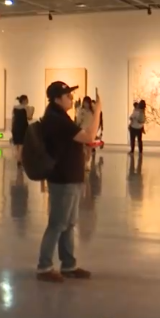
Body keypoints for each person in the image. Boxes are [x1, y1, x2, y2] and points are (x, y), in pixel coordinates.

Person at [37, 81, 101, 283]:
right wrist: (98, 111)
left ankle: (68, 264)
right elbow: (89, 136)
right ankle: (44, 267)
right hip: (62, 178)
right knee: (58, 223)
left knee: (69, 223)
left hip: (70, 177)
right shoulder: (56, 119)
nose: (71, 98)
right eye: (68, 96)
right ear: (57, 99)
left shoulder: (60, 116)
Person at [76, 96, 96, 170]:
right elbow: (78, 121)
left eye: (87, 103)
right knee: (83, 148)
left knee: (89, 149)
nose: (85, 104)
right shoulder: (82, 111)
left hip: (90, 131)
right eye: (84, 103)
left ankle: (88, 163)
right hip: (83, 131)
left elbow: (96, 110)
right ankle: (84, 163)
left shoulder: (92, 111)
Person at [11, 95, 31, 165]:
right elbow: (29, 117)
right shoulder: (26, 107)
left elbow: (13, 118)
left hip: (15, 126)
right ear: (24, 100)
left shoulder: (14, 107)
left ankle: (18, 157)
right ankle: (19, 159)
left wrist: (12, 127)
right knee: (21, 143)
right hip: (23, 126)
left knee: (16, 143)